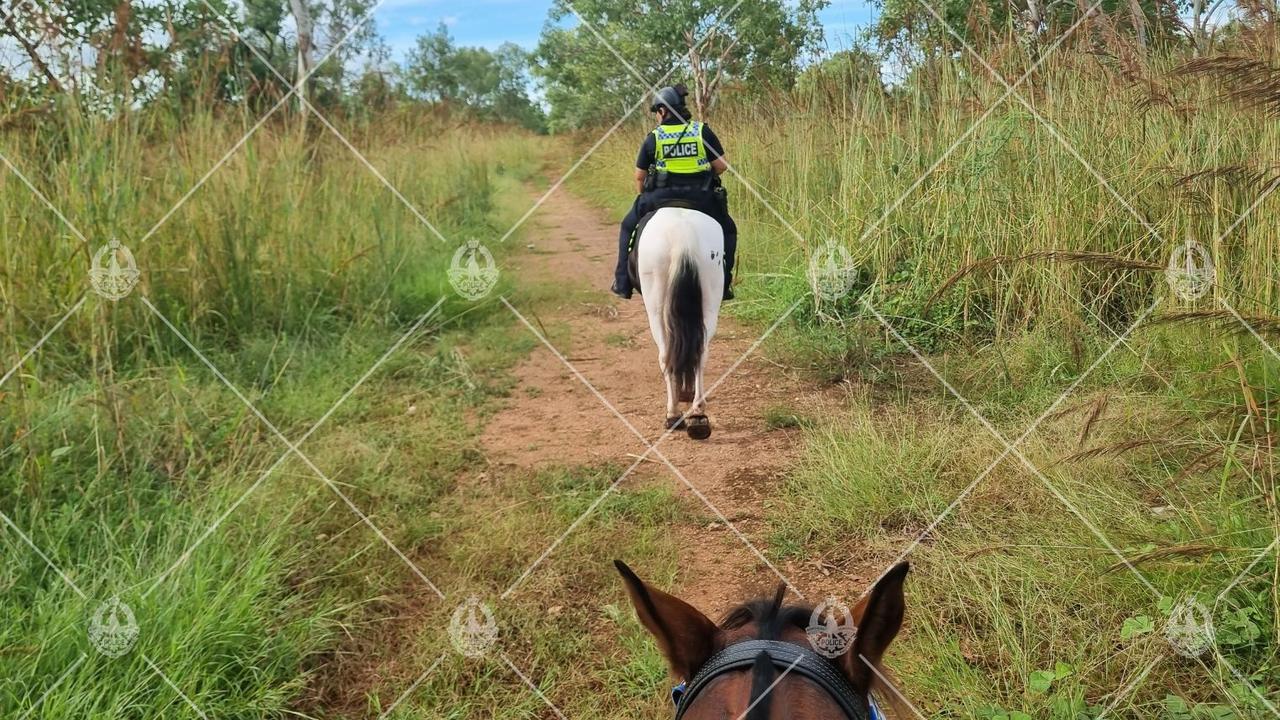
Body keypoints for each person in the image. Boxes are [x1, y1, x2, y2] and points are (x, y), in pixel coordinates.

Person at [612, 85, 738, 301]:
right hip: (701, 197)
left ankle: (623, 281)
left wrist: (643, 195)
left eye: (657, 112)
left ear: (662, 111)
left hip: (660, 198)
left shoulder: (654, 137)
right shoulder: (701, 131)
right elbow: (721, 166)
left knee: (626, 227)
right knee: (729, 230)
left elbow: (639, 176)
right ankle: (724, 283)